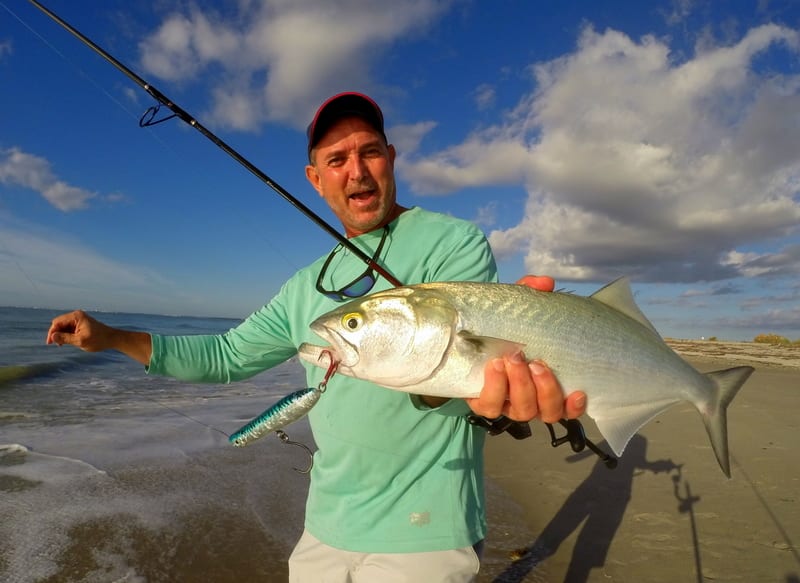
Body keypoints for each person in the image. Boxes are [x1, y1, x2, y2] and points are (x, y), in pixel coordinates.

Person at [47, 92, 586, 582]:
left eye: (369, 152)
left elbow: (454, 371)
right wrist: (113, 337)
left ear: (392, 158)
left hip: (425, 528)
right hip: (325, 526)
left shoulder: (452, 242)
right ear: (314, 179)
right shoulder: (304, 287)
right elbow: (225, 354)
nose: (357, 172)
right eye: (337, 160)